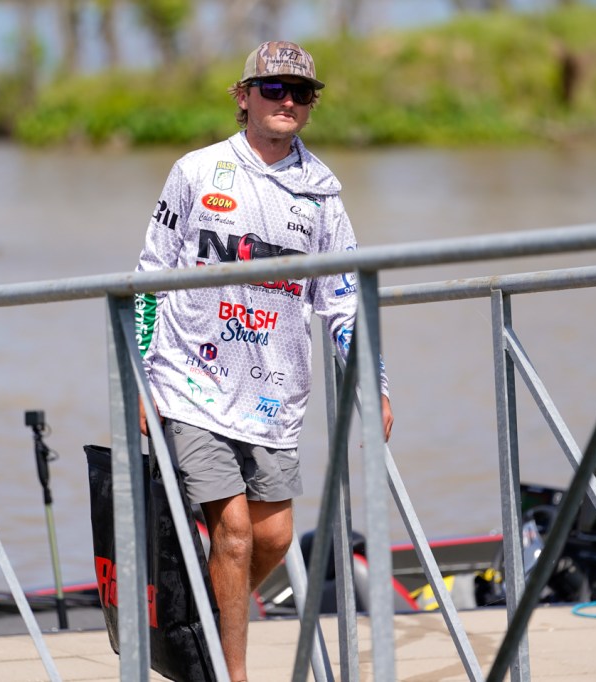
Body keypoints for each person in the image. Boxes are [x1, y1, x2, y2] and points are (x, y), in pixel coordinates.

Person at [134, 40, 393, 682]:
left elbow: (344, 301)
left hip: (275, 395)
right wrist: (139, 377)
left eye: (300, 93)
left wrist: (372, 385)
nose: (287, 101)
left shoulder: (322, 193)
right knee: (233, 535)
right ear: (243, 97)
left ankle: (192, 621)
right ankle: (233, 675)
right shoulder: (197, 171)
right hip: (190, 381)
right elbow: (150, 276)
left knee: (273, 540)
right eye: (272, 89)